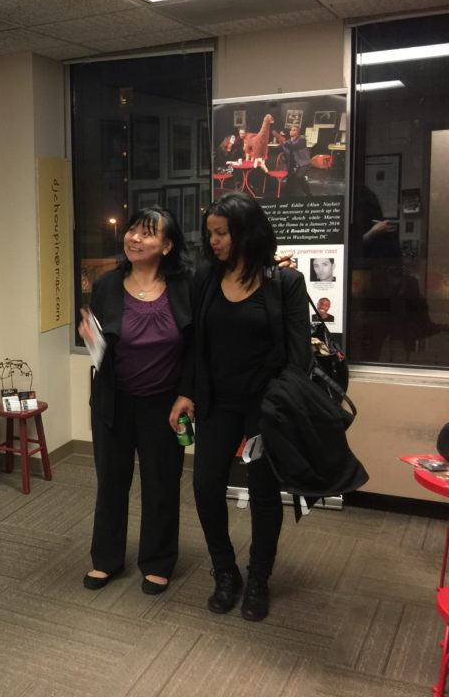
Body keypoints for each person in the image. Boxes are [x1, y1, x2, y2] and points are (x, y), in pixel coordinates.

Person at [178, 191, 311, 622]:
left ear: (245, 232)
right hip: (218, 403)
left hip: (263, 408)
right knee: (205, 487)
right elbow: (194, 345)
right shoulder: (205, 279)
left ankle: (258, 578)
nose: (213, 241)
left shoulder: (283, 282)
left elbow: (298, 357)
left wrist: (280, 407)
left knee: (263, 493)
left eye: (222, 233)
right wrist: (186, 392)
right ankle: (225, 571)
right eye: (210, 233)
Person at [78, 207, 194, 596]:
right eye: (132, 231)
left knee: (161, 483)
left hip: (165, 404)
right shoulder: (108, 285)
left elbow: (197, 348)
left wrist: (188, 393)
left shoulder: (185, 285)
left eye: (147, 233)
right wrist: (92, 341)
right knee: (111, 481)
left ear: (167, 244)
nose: (135, 238)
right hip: (115, 401)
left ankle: (158, 562)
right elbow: (100, 343)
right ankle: (106, 559)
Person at [278, 125, 312, 196]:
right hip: (294, 164)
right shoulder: (288, 141)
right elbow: (283, 148)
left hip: (303, 163)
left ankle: (308, 194)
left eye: (294, 130)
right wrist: (281, 141)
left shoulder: (301, 139)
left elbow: (294, 147)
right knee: (291, 177)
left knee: (299, 177)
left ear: (298, 132)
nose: (291, 131)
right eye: (291, 130)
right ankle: (288, 193)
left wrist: (283, 142)